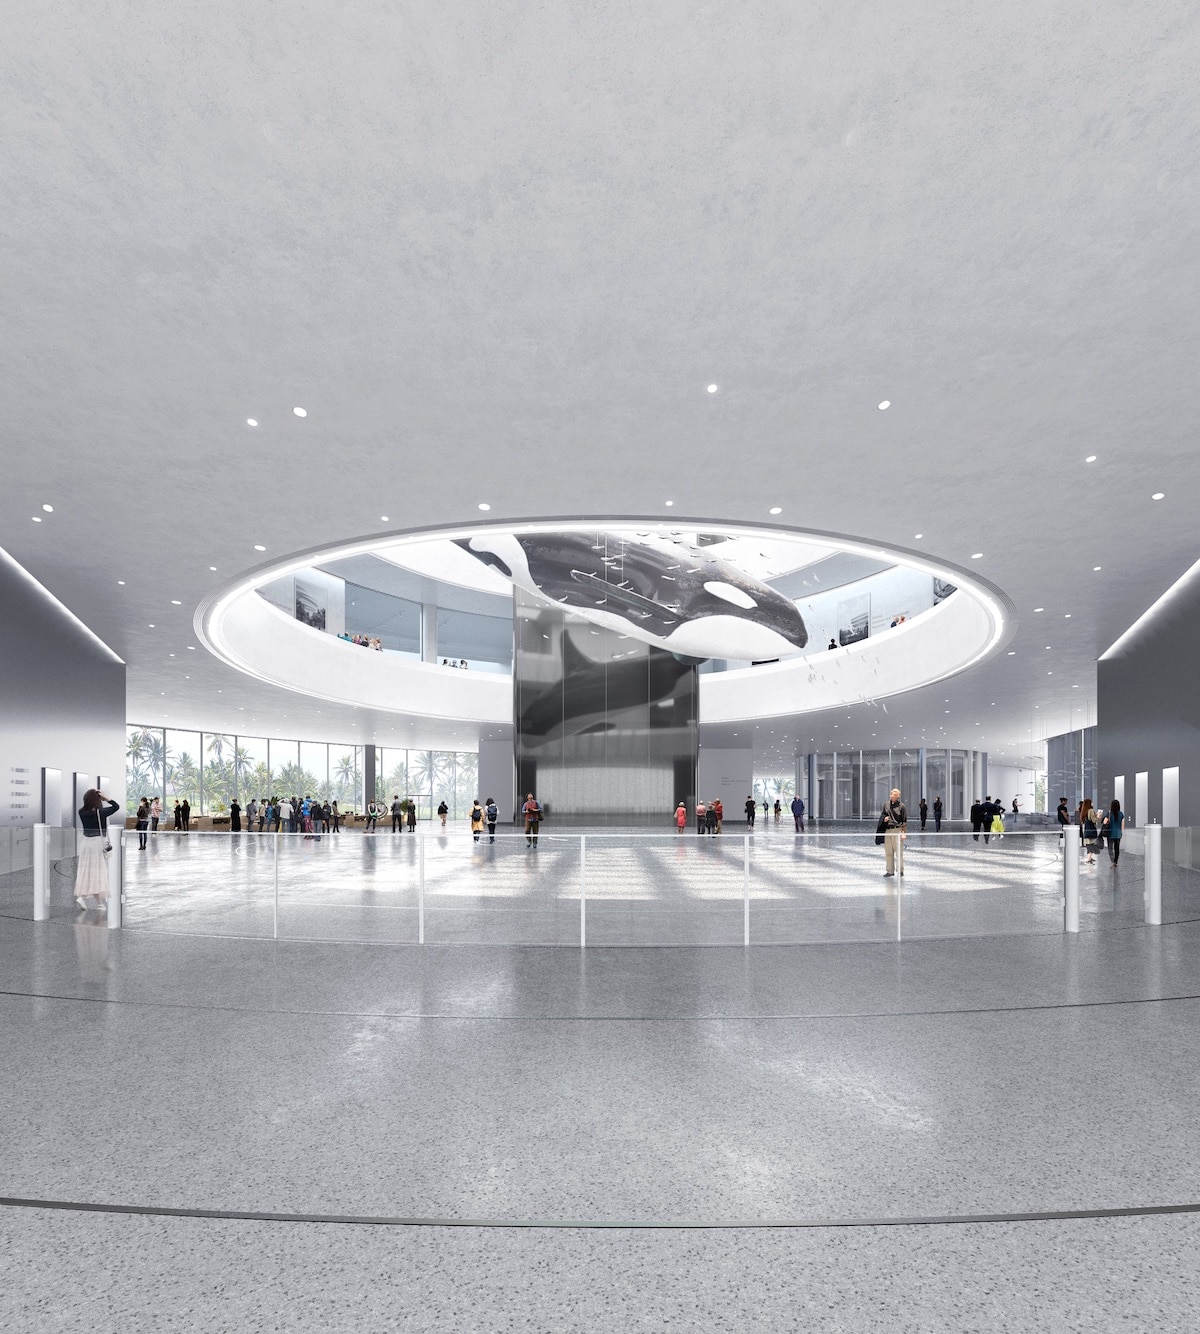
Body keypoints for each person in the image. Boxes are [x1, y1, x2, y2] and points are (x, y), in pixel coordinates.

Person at [75, 788, 119, 910]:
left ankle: (97, 902)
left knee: (86, 871)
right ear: (97, 800)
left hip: (86, 843)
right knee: (98, 872)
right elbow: (116, 806)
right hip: (97, 844)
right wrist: (105, 797)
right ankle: (87, 899)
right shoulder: (101, 813)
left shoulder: (81, 812)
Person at [881, 787, 907, 877]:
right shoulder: (886, 805)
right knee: (888, 851)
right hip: (888, 830)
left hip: (897, 829)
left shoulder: (901, 806)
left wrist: (903, 833)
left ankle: (900, 870)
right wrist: (884, 818)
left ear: (897, 796)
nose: (891, 796)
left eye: (894, 794)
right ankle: (890, 871)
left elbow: (904, 821)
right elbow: (882, 815)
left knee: (898, 851)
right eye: (891, 794)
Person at [1105, 798, 1125, 865]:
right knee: (1117, 848)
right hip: (1118, 834)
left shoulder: (1109, 813)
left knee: (1110, 848)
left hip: (1110, 833)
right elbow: (1122, 825)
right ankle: (1116, 861)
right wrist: (1121, 832)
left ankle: (1112, 860)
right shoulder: (1121, 814)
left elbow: (1104, 822)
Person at [1080, 798, 1098, 864]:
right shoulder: (1090, 810)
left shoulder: (1084, 811)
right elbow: (1093, 820)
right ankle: (1088, 859)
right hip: (1091, 830)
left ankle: (1090, 858)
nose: (1092, 804)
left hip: (1086, 830)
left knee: (1089, 844)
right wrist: (1098, 817)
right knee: (1091, 844)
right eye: (1091, 802)